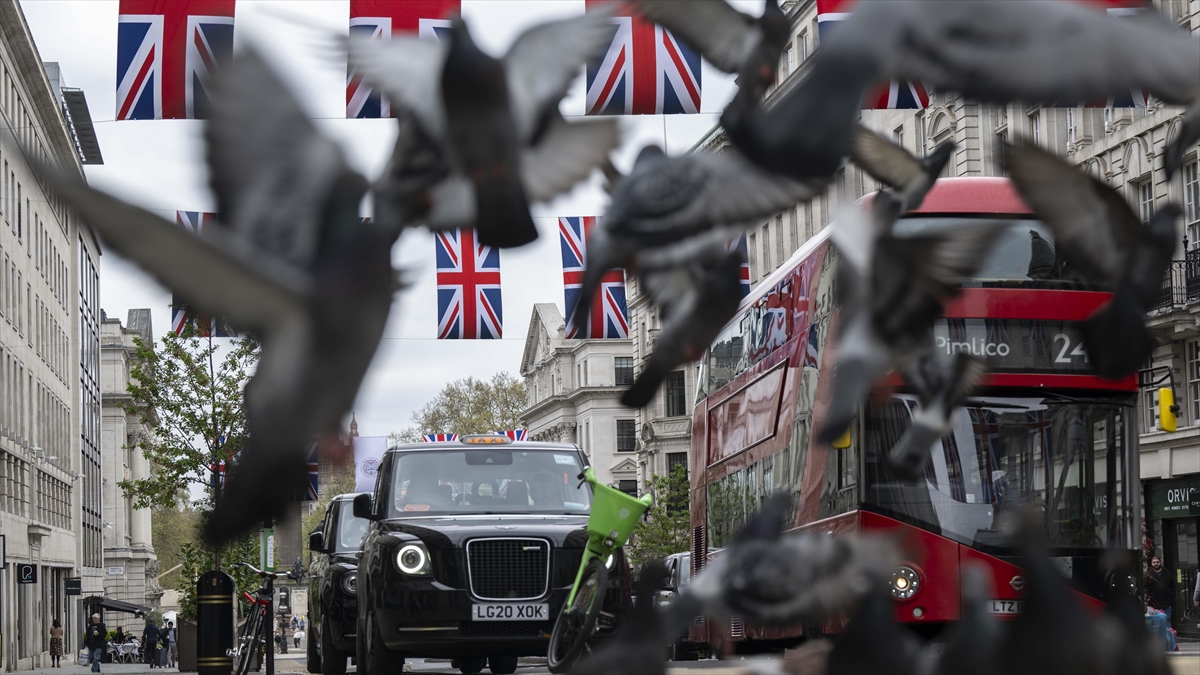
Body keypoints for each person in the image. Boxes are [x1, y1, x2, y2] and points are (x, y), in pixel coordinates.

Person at [1146, 556, 1176, 625]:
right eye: (1154, 562)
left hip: (1167, 603)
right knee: (1155, 624)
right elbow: (1146, 587)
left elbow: (1172, 585)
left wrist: (1172, 595)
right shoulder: (1149, 574)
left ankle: (1168, 635)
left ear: (1160, 562)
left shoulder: (1167, 572)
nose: (1156, 564)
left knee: (1167, 622)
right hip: (1154, 604)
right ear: (1151, 563)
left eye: (1157, 562)